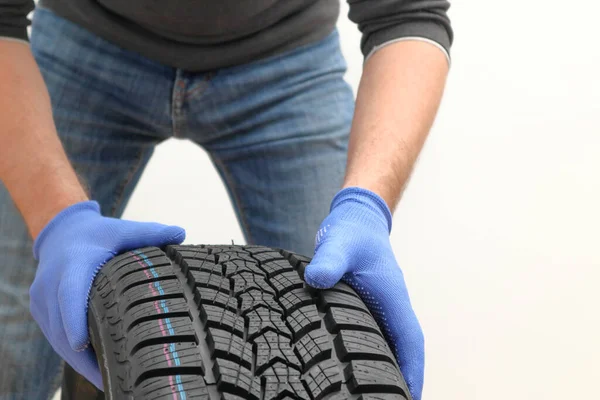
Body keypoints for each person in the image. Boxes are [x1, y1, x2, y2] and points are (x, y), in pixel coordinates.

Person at [0, 0, 452, 399]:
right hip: (86, 42)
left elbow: (407, 15)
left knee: (337, 324)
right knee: (13, 343)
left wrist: (366, 205)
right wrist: (55, 220)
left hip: (285, 57)